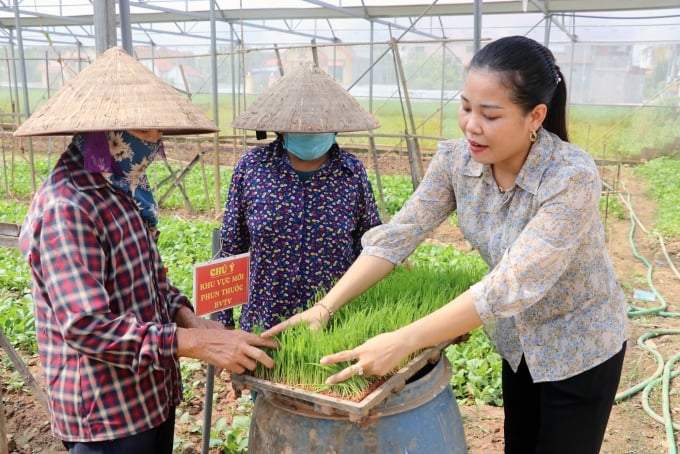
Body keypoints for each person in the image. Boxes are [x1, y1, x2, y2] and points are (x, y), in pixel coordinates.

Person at [264, 36, 628, 454]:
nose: (471, 125)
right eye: (466, 107)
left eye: (490, 115)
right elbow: (401, 234)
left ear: (535, 116)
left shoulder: (570, 176)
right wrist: (324, 308)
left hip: (579, 343)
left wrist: (404, 340)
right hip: (516, 342)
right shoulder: (456, 161)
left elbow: (511, 282)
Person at [16, 47, 277, 453]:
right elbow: (87, 325)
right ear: (109, 133)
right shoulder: (68, 206)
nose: (157, 147)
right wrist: (194, 345)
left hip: (150, 399)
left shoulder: (125, 189)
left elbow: (149, 280)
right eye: (149, 134)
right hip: (107, 415)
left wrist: (188, 318)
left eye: (160, 134)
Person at [216, 61, 382, 332]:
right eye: (300, 124)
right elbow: (231, 250)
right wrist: (224, 326)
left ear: (336, 126)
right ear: (280, 127)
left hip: (334, 323)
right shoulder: (252, 168)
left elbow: (370, 247)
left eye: (318, 125)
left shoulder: (351, 173)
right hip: (263, 322)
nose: (309, 131)